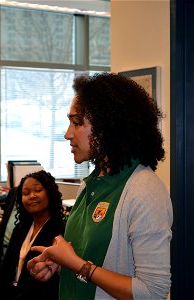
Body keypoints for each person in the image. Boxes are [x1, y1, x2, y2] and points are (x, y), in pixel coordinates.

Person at [27, 72, 173, 300]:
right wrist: (60, 263)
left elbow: (153, 292)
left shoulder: (144, 191)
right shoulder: (90, 184)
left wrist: (77, 265)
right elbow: (93, 261)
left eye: (77, 123)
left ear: (107, 127)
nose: (67, 134)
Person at [0, 170, 64, 300]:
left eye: (38, 190)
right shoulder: (21, 228)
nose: (32, 196)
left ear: (49, 193)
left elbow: (47, 284)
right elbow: (5, 270)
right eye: (26, 193)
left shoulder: (59, 231)